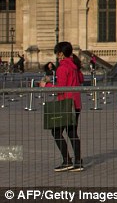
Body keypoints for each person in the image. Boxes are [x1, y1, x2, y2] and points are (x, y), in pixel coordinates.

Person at [41, 41, 84, 172]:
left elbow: (61, 88)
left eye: (57, 53)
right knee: (72, 133)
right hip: (76, 103)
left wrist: (46, 85)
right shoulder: (75, 66)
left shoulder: (62, 67)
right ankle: (78, 161)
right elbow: (81, 80)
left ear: (60, 53)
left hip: (66, 103)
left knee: (56, 132)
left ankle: (67, 161)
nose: (57, 56)